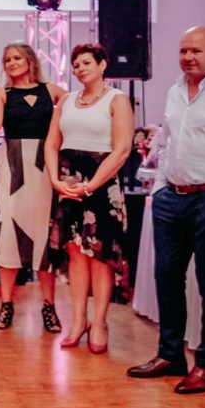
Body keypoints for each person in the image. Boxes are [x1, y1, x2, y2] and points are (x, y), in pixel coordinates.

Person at [127, 27, 205, 393]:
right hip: (171, 197)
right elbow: (165, 144)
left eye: (196, 50)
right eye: (183, 50)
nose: (188, 57)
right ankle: (170, 355)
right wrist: (160, 187)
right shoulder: (174, 91)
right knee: (167, 278)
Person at [44, 43, 133, 354]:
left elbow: (122, 149)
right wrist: (56, 180)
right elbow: (52, 144)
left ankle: (100, 323)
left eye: (86, 63)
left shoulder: (116, 99)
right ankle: (79, 320)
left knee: (100, 254)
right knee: (75, 254)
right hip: (70, 183)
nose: (80, 68)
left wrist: (92, 185)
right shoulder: (66, 101)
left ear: (102, 65)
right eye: (76, 64)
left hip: (102, 183)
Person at [0, 42, 67, 331]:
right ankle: (6, 304)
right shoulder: (1, 93)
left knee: (44, 237)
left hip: (44, 165)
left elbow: (73, 115)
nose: (11, 63)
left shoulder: (52, 91)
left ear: (30, 60)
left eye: (16, 58)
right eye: (7, 59)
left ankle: (49, 306)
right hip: (12, 166)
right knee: (8, 234)